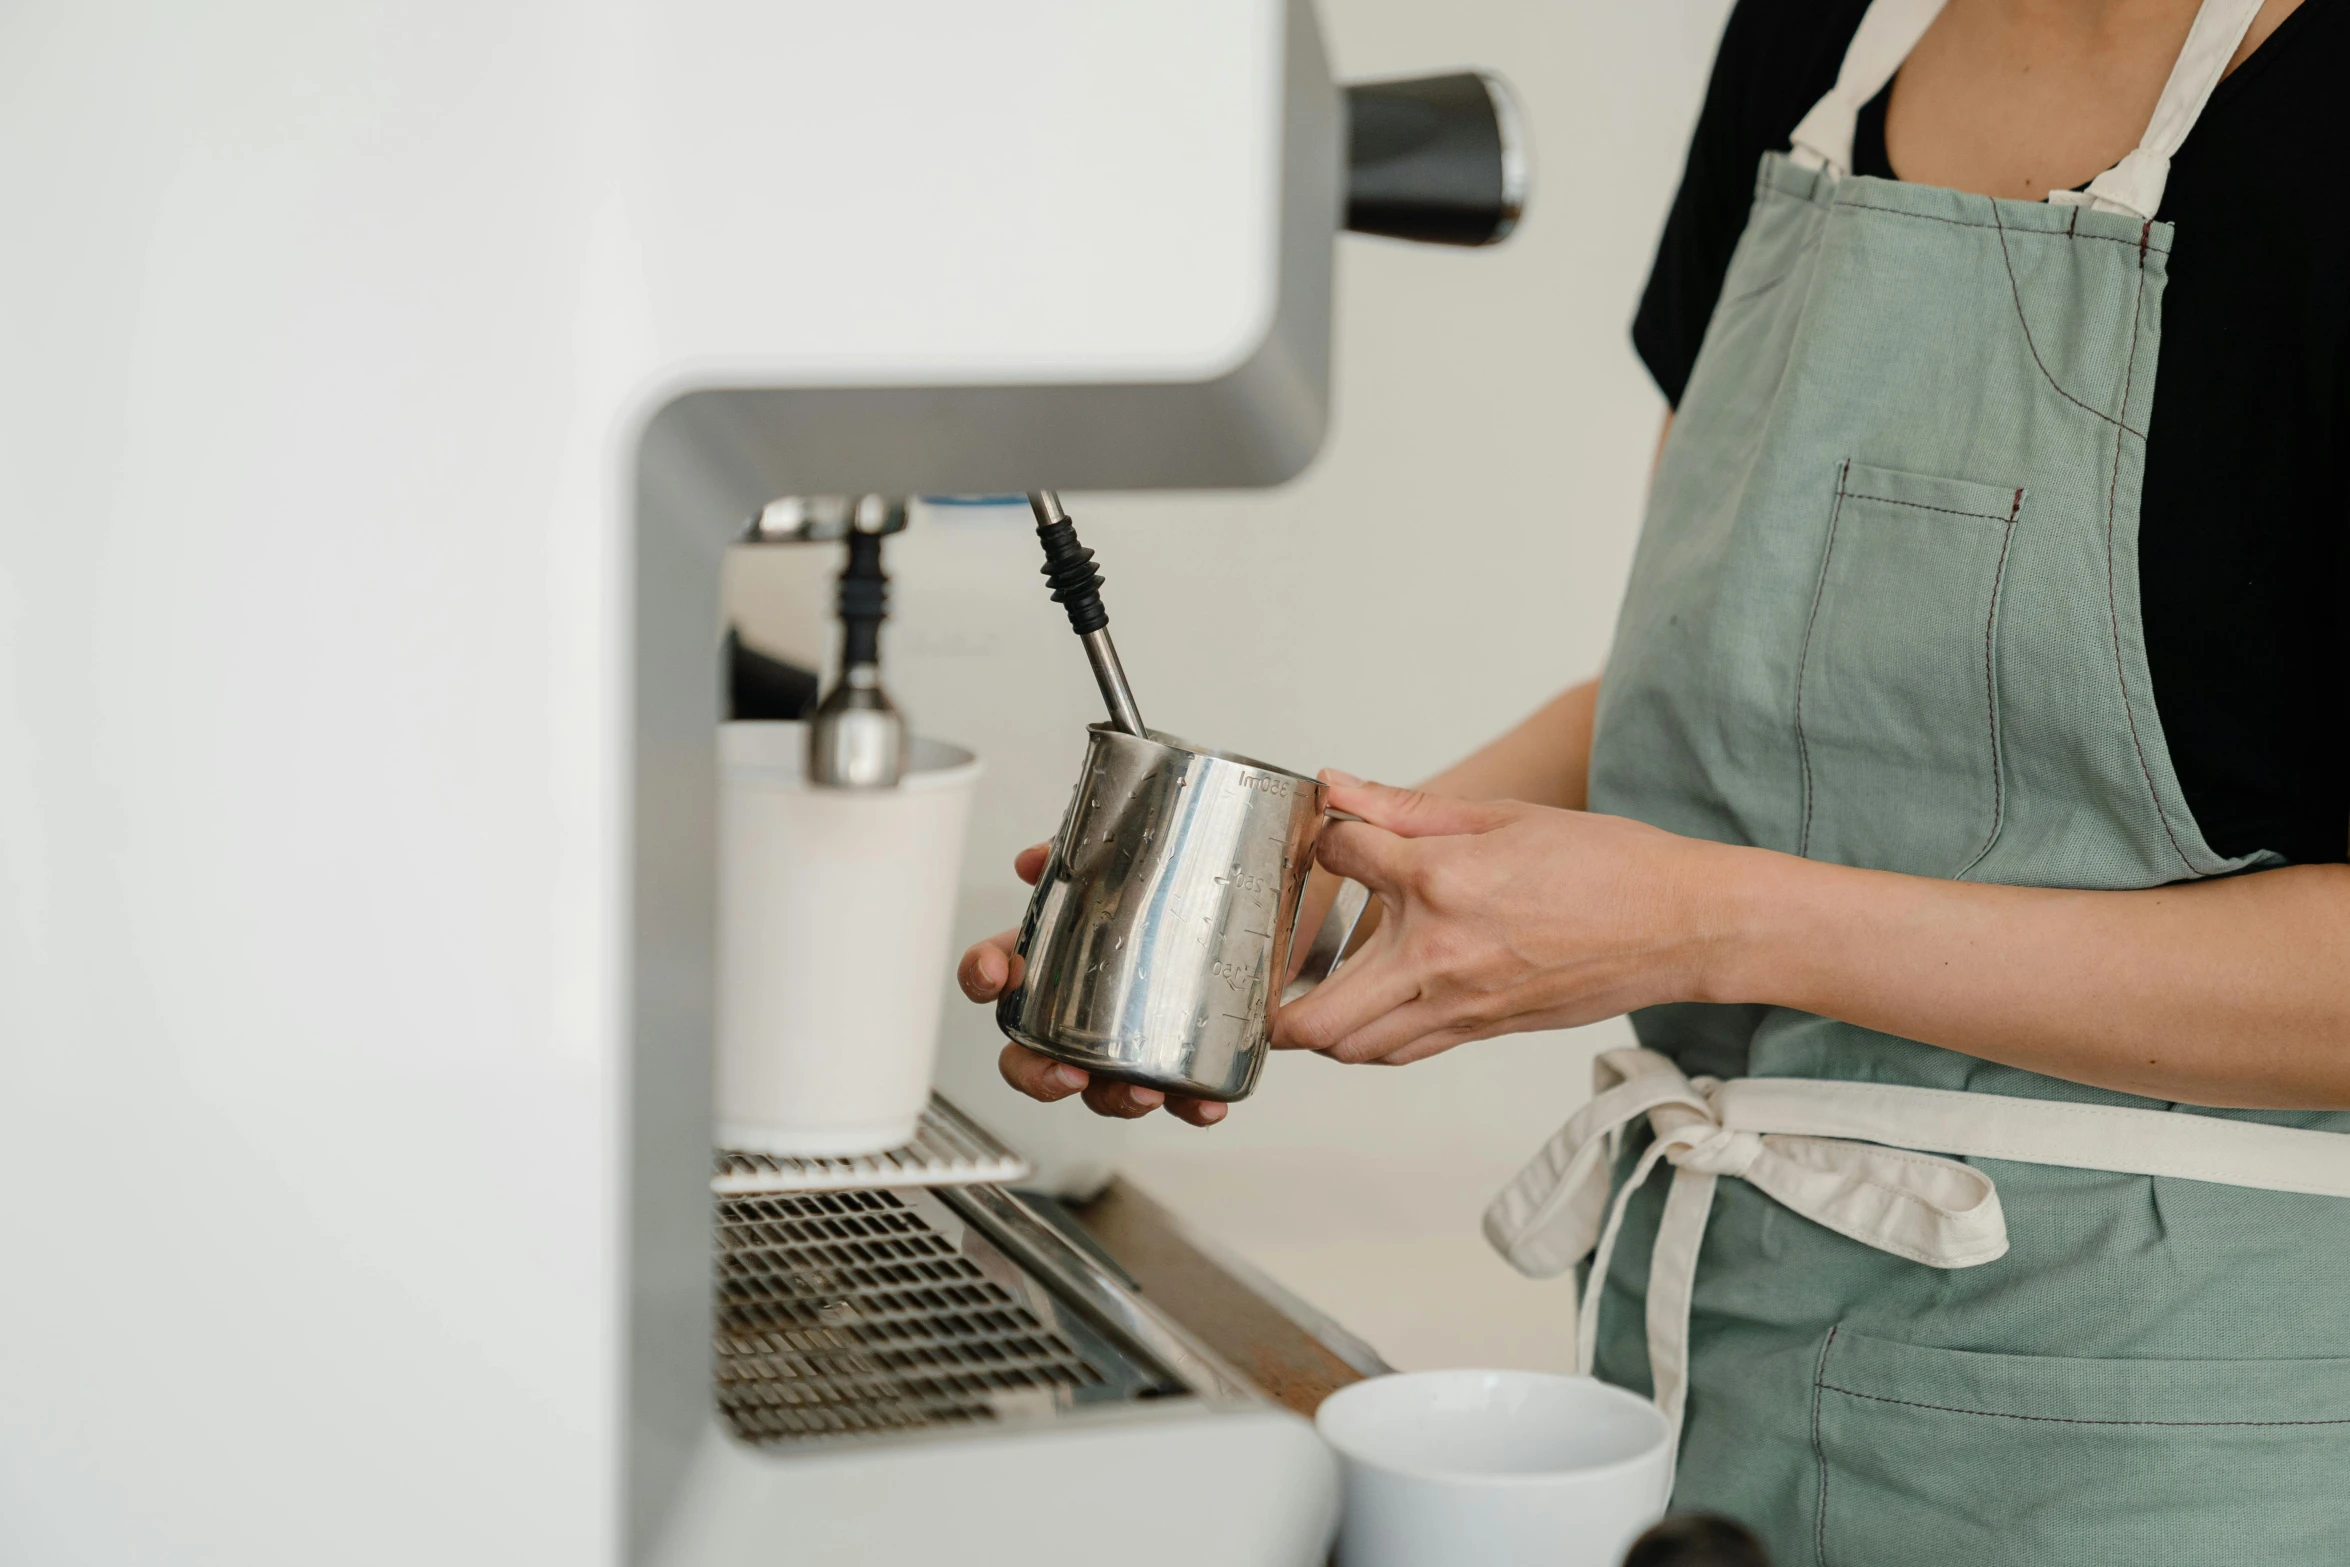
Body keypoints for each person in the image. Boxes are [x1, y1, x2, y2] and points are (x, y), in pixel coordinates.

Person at [961, 0, 2350, 1558]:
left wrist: (1710, 926)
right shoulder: (1820, 40)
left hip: (2164, 1436)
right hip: (1703, 1368)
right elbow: (1731, 671)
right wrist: (1319, 872)